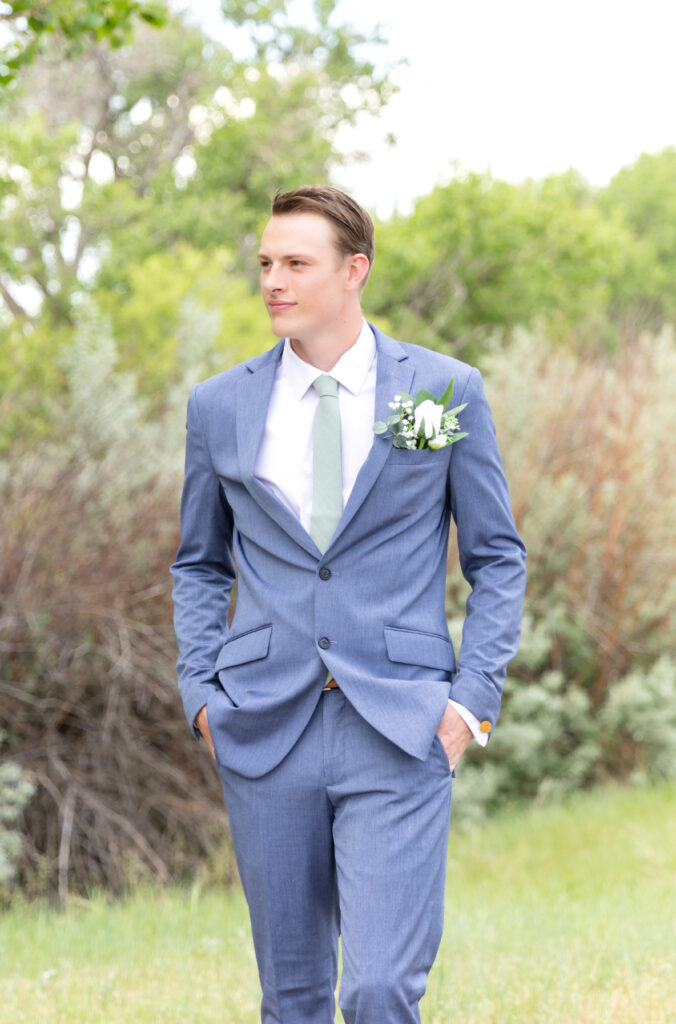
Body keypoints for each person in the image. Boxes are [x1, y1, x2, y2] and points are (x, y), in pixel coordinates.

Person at [170, 184, 526, 1024]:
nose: (273, 281)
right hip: (263, 725)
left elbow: (496, 556)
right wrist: (202, 698)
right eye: (264, 263)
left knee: (378, 990)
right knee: (291, 997)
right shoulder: (219, 405)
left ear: (354, 271)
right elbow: (198, 563)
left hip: (400, 725)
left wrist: (470, 703)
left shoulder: (438, 393)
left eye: (296, 263)